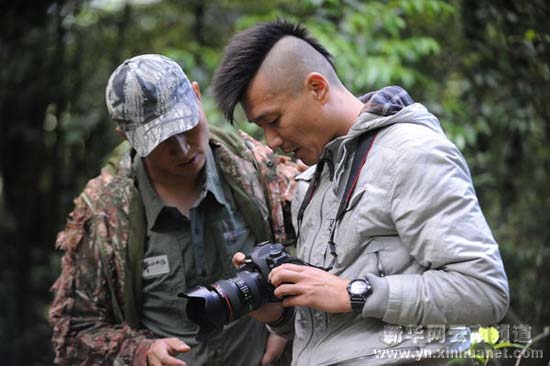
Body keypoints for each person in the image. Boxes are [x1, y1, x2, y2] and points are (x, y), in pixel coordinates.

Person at [212, 21, 510, 365]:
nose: (272, 141)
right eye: (261, 127)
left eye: (274, 120)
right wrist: (277, 312)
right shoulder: (312, 184)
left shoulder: (412, 154)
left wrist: (353, 292)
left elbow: (484, 291)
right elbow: (340, 329)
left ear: (317, 88)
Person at [48, 54, 304, 366]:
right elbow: (74, 329)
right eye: (162, 140)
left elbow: (321, 258)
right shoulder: (105, 213)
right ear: (126, 136)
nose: (183, 149)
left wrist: (286, 323)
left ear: (196, 94)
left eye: (187, 126)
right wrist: (138, 352)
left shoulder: (257, 170)